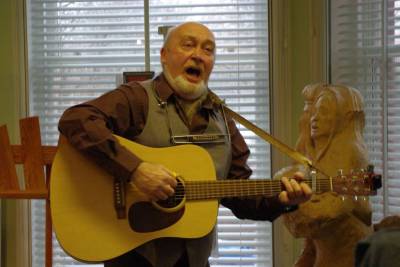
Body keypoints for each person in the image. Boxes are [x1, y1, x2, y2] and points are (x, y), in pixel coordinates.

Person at [58, 21, 312, 267]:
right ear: (164, 55)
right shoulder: (136, 99)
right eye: (188, 45)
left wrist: (284, 199)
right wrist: (135, 170)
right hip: (133, 255)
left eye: (208, 49)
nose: (199, 55)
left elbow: (239, 196)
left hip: (194, 260)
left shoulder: (223, 119)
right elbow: (76, 120)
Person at [274, 84, 372, 267]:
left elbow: (334, 210)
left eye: (324, 112)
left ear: (342, 118)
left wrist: (294, 204)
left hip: (345, 250)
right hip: (319, 246)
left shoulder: (351, 152)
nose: (315, 118)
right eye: (313, 112)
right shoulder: (315, 155)